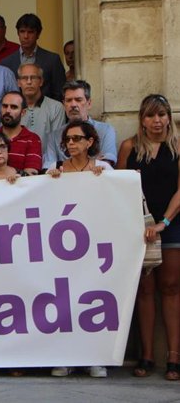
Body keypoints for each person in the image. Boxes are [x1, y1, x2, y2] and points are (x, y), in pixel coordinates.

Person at [117, 94, 180, 381]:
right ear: (142, 119)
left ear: (169, 117)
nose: (157, 121)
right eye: (151, 115)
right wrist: (139, 223)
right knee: (143, 289)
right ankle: (147, 354)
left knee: (169, 287)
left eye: (162, 115)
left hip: (172, 224)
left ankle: (173, 356)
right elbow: (119, 187)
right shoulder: (129, 147)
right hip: (138, 227)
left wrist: (165, 222)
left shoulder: (178, 146)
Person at [46, 120, 111, 379]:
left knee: (94, 301)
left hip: (94, 245)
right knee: (64, 301)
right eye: (68, 140)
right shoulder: (56, 169)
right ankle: (66, 357)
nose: (71, 144)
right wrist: (49, 182)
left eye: (76, 139)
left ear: (90, 141)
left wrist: (105, 182)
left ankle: (94, 357)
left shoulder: (103, 169)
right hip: (63, 247)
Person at [43, 80, 117, 168]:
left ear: (89, 103)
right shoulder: (54, 136)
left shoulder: (105, 130)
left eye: (78, 100)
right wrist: (93, 162)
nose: (73, 104)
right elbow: (49, 168)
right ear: (64, 105)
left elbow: (106, 164)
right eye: (69, 100)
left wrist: (64, 165)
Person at [1, 13, 67, 102]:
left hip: (46, 112)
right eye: (22, 31)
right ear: (18, 33)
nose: (26, 36)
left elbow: (59, 92)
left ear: (38, 34)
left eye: (30, 32)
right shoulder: (6, 62)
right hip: (17, 113)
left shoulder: (52, 60)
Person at [17, 63, 66, 147]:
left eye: (33, 78)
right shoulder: (11, 108)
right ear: (18, 83)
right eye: (25, 78)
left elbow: (57, 144)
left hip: (47, 159)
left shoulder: (56, 107)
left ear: (41, 81)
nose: (29, 82)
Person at [0, 91, 42, 175]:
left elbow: (31, 174)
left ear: (23, 112)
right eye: (5, 106)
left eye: (14, 107)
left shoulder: (33, 139)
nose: (8, 110)